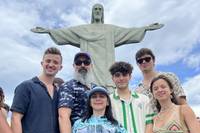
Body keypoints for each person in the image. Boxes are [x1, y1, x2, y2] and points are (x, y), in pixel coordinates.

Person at [31, 3, 163, 90]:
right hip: (89, 70)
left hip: (106, 71)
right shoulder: (83, 30)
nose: (98, 11)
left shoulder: (110, 30)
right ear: (92, 13)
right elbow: (66, 32)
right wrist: (49, 31)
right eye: (96, 9)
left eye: (100, 9)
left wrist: (145, 28)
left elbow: (128, 32)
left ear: (103, 13)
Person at [58, 52, 93, 133]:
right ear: (74, 65)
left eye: (86, 62)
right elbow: (63, 116)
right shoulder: (68, 86)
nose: (82, 65)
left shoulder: (95, 88)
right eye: (78, 62)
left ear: (91, 65)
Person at [135, 48, 186, 113]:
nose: (144, 62)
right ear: (137, 64)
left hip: (176, 119)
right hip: (154, 122)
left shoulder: (170, 77)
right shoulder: (138, 91)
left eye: (147, 59)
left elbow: (182, 102)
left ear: (153, 60)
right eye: (140, 61)